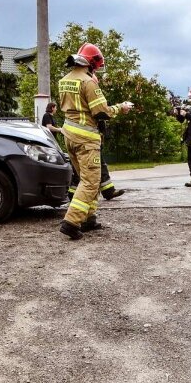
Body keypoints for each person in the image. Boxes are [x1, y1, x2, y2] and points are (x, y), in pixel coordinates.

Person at [57, 43, 133, 240]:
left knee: (85, 179)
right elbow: (101, 112)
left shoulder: (65, 80)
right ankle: (71, 222)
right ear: (92, 64)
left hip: (70, 136)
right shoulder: (88, 82)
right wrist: (121, 108)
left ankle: (89, 219)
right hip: (86, 139)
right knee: (91, 182)